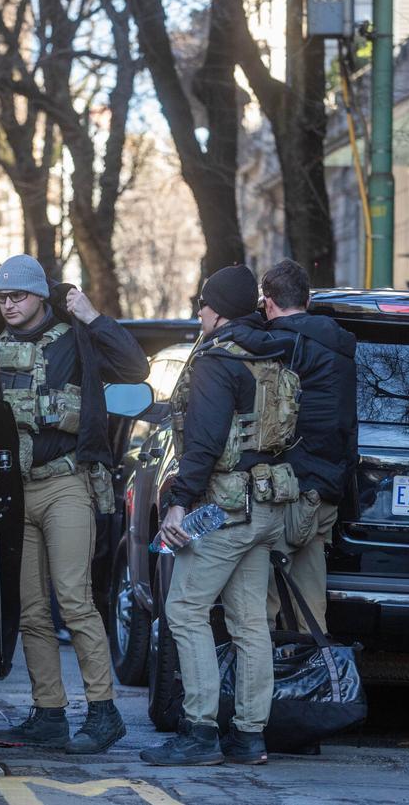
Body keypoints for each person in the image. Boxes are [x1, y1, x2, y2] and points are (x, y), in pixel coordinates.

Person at [0, 254, 148, 754]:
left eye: (19, 296)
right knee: (32, 611)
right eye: (3, 297)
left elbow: (135, 367)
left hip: (66, 486)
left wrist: (92, 315)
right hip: (17, 491)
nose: (9, 305)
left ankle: (103, 713)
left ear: (40, 296)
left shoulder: (74, 338)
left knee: (74, 601)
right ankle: (48, 713)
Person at [141, 265, 302, 767]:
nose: (198, 313)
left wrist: (179, 502)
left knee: (185, 611)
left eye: (203, 304)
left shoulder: (218, 360)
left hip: (225, 508)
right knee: (250, 622)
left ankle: (200, 731)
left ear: (219, 310)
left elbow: (206, 443)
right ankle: (250, 737)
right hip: (268, 506)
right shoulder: (274, 351)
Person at [259, 261, 357, 636]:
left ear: (268, 303)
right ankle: (315, 677)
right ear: (309, 299)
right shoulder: (342, 347)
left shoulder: (273, 344)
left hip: (283, 487)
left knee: (262, 597)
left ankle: (264, 684)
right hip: (326, 487)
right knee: (311, 600)